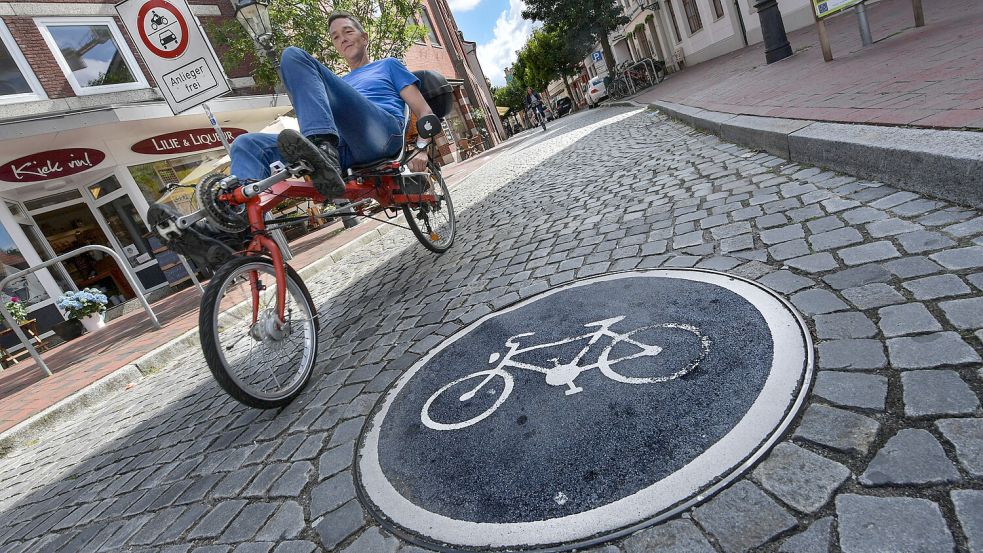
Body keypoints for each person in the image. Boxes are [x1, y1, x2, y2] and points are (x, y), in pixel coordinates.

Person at [228, 11, 435, 199]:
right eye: (336, 37)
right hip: (343, 148)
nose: (342, 38)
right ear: (336, 47)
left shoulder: (388, 65)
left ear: (364, 38)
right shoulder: (336, 82)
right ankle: (237, 218)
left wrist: (421, 149)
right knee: (246, 144)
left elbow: (424, 110)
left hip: (382, 132)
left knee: (292, 54)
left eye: (348, 32)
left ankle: (321, 147)